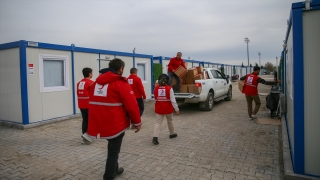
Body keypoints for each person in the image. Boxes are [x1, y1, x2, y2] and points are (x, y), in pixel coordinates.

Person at [87, 58, 142, 180]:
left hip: (99, 123)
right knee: (113, 151)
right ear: (120, 69)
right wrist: (137, 122)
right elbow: (132, 106)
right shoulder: (121, 83)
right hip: (115, 124)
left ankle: (115, 169)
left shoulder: (95, 83)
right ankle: (109, 176)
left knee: (112, 149)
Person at [152, 74, 179, 145]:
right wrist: (176, 109)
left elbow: (155, 99)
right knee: (170, 121)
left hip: (159, 108)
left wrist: (154, 107)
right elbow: (173, 100)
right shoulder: (169, 89)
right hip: (168, 109)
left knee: (158, 122)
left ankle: (155, 137)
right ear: (167, 80)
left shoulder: (156, 89)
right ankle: (172, 134)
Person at [76, 67, 94, 145]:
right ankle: (87, 136)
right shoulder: (91, 83)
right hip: (89, 105)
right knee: (91, 121)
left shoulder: (79, 83)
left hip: (81, 104)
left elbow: (78, 93)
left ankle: (84, 135)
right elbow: (94, 94)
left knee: (85, 120)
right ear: (89, 74)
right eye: (91, 73)